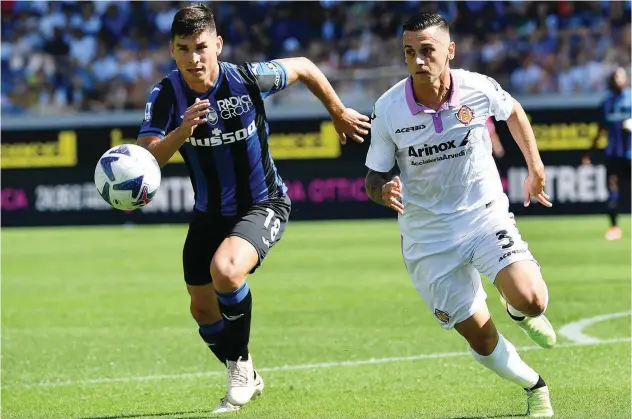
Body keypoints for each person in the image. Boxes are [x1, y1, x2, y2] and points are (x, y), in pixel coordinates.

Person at [137, 4, 370, 414]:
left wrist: (336, 111)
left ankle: (240, 367)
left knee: (226, 271)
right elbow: (147, 158)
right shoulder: (165, 95)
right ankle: (243, 367)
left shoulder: (246, 78)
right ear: (172, 51)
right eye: (184, 48)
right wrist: (183, 130)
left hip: (264, 201)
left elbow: (304, 66)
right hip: (209, 213)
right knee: (201, 307)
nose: (194, 58)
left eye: (202, 47)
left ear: (218, 45)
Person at [364, 13, 555, 417]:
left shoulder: (477, 88)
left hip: (484, 217)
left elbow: (514, 111)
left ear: (449, 50)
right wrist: (383, 191)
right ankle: (534, 385)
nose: (417, 60)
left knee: (534, 299)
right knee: (481, 341)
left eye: (427, 50)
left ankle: (517, 309)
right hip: (427, 237)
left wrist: (535, 167)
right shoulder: (389, 108)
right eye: (409, 52)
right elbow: (373, 177)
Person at [583, 66, 632, 241]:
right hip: (614, 155)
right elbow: (601, 130)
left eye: (621, 76)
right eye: (615, 77)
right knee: (612, 190)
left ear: (627, 79)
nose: (618, 79)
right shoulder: (606, 103)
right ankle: (614, 227)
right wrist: (589, 152)